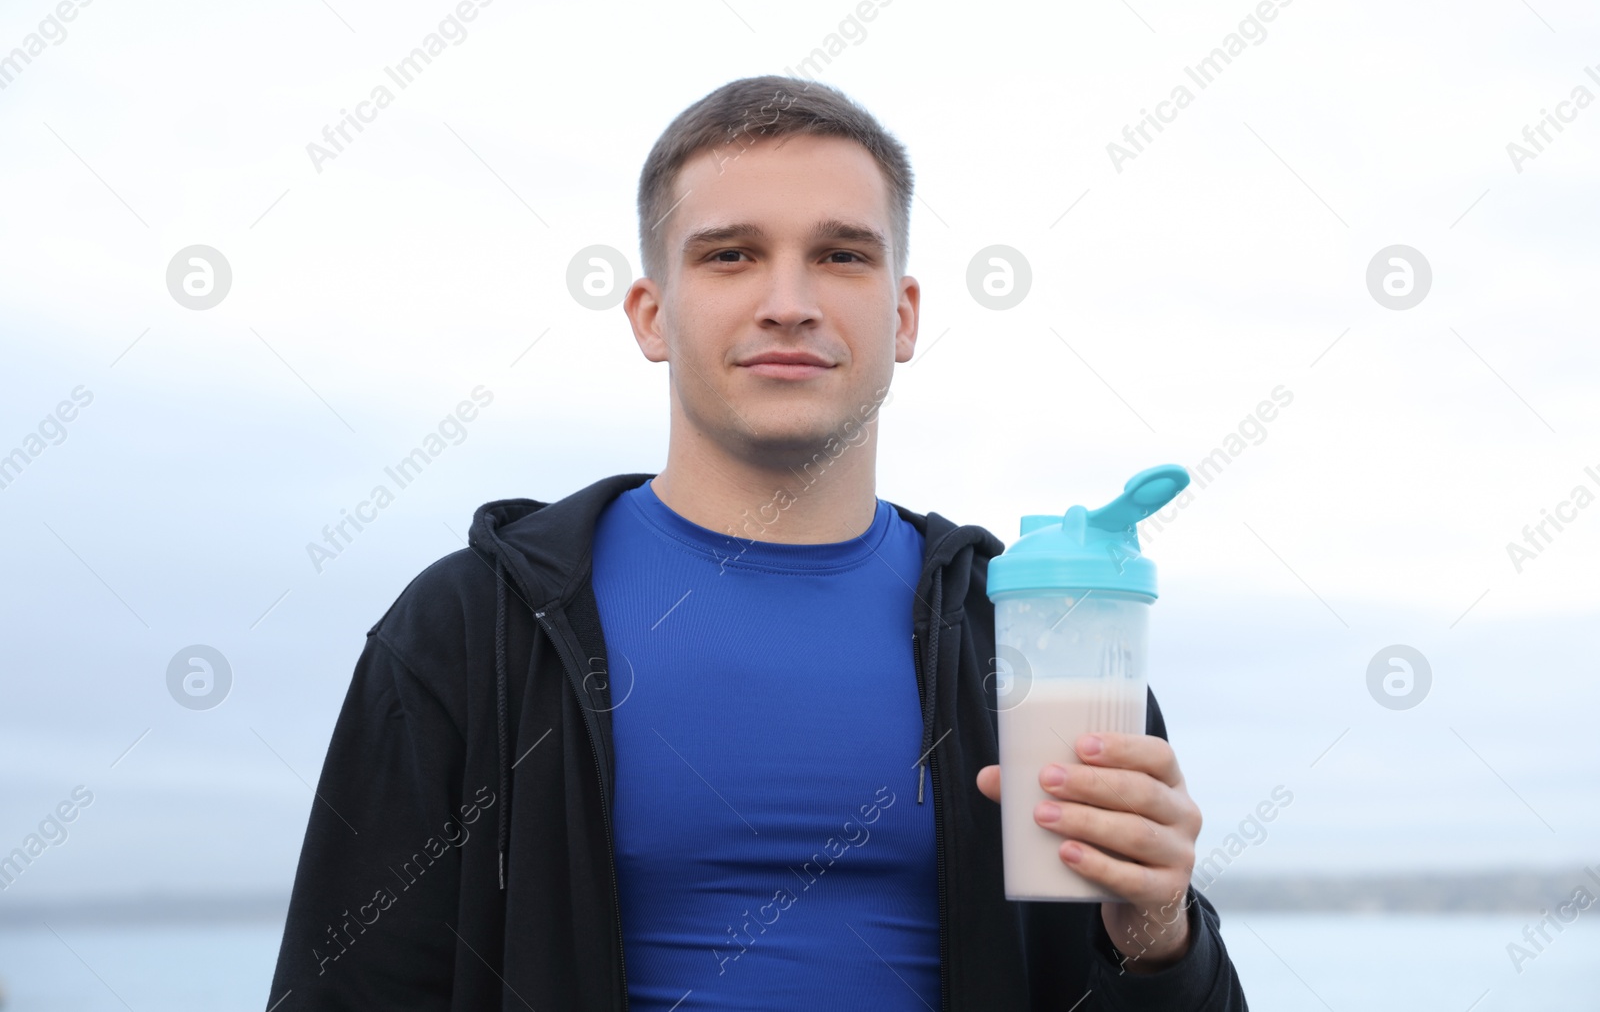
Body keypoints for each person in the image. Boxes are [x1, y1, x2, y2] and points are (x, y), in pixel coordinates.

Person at [265, 75, 1248, 1010]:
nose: (789, 300)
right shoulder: (472, 630)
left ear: (903, 317)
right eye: (730, 254)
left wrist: (1156, 924)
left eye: (842, 254)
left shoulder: (1031, 632)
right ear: (652, 315)